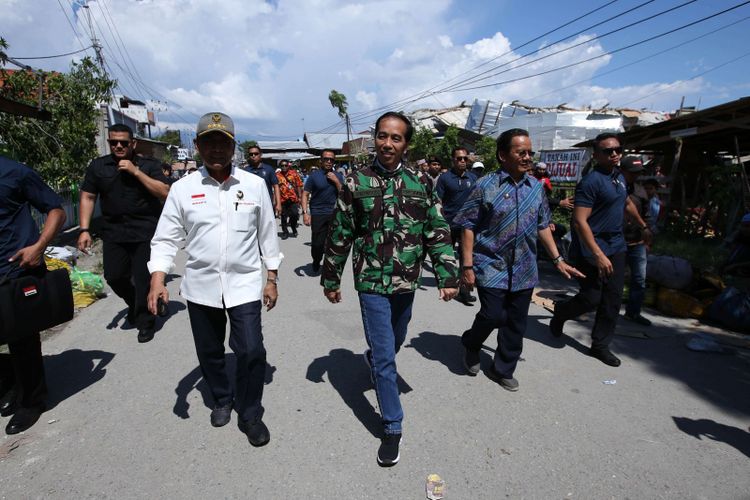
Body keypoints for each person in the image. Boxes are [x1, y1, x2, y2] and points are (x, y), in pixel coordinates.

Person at [321, 111, 459, 467]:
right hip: (370, 280)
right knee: (385, 357)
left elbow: (437, 231)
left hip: (407, 279)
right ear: (375, 139)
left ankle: (375, 361)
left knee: (395, 342)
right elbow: (340, 233)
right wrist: (331, 278)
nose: (387, 144)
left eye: (396, 138)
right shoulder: (355, 182)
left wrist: (447, 275)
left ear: (405, 144)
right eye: (382, 136)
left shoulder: (422, 183)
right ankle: (392, 426)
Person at [147, 112, 282, 447]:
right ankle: (222, 397)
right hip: (202, 286)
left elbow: (267, 233)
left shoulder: (253, 185)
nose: (217, 148)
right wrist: (157, 279)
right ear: (197, 146)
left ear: (234, 146)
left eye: (223, 141)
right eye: (209, 141)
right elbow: (165, 238)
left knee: (251, 350)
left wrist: (272, 277)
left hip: (245, 283)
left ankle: (250, 413)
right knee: (209, 351)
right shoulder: (183, 189)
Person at [454, 129, 583, 391]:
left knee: (516, 321)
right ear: (503, 155)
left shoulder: (536, 189)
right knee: (492, 315)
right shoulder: (485, 186)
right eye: (520, 152)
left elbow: (543, 226)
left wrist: (557, 259)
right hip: (490, 264)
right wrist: (466, 266)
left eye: (529, 153)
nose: (527, 157)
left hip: (524, 267)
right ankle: (472, 342)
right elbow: (468, 226)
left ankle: (502, 368)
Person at [550, 133, 651, 367]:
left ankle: (600, 346)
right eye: (607, 151)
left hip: (616, 245)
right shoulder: (591, 182)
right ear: (596, 156)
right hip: (591, 247)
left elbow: (626, 203)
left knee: (613, 298)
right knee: (592, 297)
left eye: (617, 149)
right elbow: (579, 221)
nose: (614, 154)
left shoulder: (619, 177)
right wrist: (597, 253)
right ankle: (562, 312)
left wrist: (643, 226)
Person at [77, 123, 170, 343]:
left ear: (133, 144)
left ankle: (146, 322)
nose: (118, 146)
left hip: (145, 231)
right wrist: (84, 229)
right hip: (113, 232)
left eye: (124, 143)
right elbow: (88, 196)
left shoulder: (148, 165)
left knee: (142, 279)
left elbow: (164, 192)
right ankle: (136, 304)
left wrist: (136, 172)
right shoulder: (99, 167)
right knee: (114, 276)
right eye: (113, 142)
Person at [0, 155, 66, 434]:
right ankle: (12, 381)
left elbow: (56, 210)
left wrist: (38, 246)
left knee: (22, 339)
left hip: (14, 269)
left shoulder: (15, 172)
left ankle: (31, 400)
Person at [436, 147, 479, 305]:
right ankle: (447, 284)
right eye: (459, 158)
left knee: (465, 258)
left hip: (467, 227)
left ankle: (464, 291)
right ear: (453, 160)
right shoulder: (445, 178)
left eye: (465, 158)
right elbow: (438, 200)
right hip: (449, 223)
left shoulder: (473, 178)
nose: (462, 161)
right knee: (447, 256)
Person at [620, 156, 652, 326]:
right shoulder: (614, 188)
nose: (636, 176)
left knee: (639, 279)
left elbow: (647, 216)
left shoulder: (641, 192)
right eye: (633, 173)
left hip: (637, 243)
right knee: (613, 280)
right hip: (616, 242)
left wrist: (647, 240)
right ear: (623, 171)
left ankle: (633, 313)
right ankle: (603, 310)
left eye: (638, 173)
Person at [301, 150, 343, 273]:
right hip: (318, 213)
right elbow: (305, 194)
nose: (329, 161)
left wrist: (336, 181)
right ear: (321, 160)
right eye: (326, 159)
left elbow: (344, 193)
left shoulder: (338, 176)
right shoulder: (314, 177)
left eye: (331, 159)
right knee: (317, 244)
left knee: (335, 242)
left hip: (335, 213)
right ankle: (316, 260)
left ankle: (330, 265)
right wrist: (305, 213)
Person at [245, 144, 281, 215]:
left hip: (267, 205)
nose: (253, 156)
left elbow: (276, 186)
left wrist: (278, 204)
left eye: (256, 153)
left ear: (260, 155)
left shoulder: (269, 169)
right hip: (250, 205)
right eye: (251, 154)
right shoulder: (246, 171)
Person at [276, 160, 303, 238]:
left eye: (285, 165)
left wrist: (300, 197)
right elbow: (276, 187)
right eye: (282, 165)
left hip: (293, 199)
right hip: (282, 199)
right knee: (283, 216)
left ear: (288, 166)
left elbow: (299, 185)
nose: (284, 167)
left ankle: (293, 227)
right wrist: (276, 202)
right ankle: (285, 232)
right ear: (280, 167)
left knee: (294, 214)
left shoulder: (294, 174)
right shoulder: (277, 175)